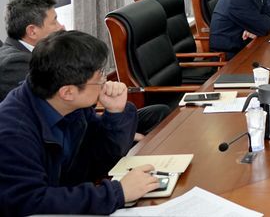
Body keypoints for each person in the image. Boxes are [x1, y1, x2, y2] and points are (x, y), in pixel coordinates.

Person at [0, 30, 160, 216]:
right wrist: (116, 193)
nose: (105, 81)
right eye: (99, 78)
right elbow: (30, 201)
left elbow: (104, 157)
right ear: (67, 92)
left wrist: (115, 113)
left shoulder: (68, 104)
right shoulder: (14, 133)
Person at [0, 0, 169, 137]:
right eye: (54, 22)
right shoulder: (14, 64)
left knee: (158, 113)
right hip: (68, 135)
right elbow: (63, 106)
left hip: (84, 120)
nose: (62, 26)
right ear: (32, 31)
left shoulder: (47, 53)